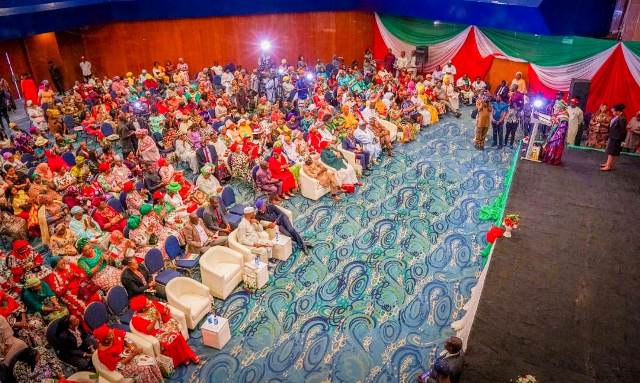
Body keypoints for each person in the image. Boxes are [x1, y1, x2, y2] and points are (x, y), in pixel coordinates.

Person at [129, 295, 199, 367]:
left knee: (177, 336)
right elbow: (148, 330)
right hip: (156, 332)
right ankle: (186, 357)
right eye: (147, 303)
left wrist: (165, 310)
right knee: (172, 340)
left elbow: (163, 310)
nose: (150, 302)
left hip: (163, 324)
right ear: (143, 308)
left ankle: (188, 356)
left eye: (148, 300)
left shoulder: (152, 305)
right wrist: (155, 319)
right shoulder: (136, 320)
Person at [93, 324, 163, 383]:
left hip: (130, 354)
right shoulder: (102, 354)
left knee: (151, 360)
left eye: (111, 331)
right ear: (105, 340)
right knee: (145, 368)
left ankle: (159, 380)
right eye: (110, 335)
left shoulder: (113, 332)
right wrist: (132, 355)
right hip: (123, 366)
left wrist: (132, 347)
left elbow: (126, 339)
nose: (113, 334)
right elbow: (118, 366)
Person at [541, 99, 570, 166]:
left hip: (558, 136)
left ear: (561, 108)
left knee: (553, 146)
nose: (554, 108)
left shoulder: (564, 116)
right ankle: (548, 158)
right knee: (549, 144)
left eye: (556, 107)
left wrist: (555, 135)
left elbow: (563, 128)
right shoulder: (559, 113)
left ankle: (553, 159)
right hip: (554, 132)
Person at [600, 103, 627, 171]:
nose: (613, 113)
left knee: (612, 152)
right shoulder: (617, 117)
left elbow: (623, 130)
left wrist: (622, 140)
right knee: (610, 151)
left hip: (616, 138)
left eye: (614, 111)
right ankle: (608, 163)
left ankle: (608, 166)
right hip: (613, 136)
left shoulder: (622, 118)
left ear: (618, 111)